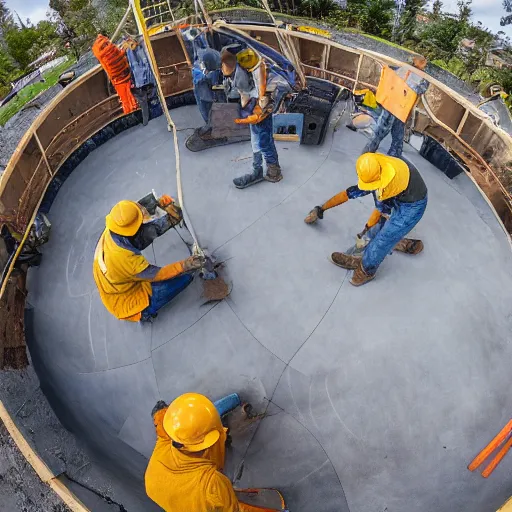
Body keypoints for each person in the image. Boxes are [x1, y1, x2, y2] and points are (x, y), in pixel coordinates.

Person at [305, 153, 428, 286]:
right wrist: (321, 208)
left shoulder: (390, 183)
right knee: (382, 231)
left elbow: (380, 212)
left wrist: (367, 227)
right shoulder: (375, 168)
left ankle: (367, 270)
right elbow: (349, 193)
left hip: (413, 205)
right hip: (403, 193)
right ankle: (398, 242)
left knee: (383, 238)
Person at [145, 393, 280, 512]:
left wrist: (161, 411)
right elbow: (234, 510)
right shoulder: (212, 484)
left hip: (154, 485)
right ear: (205, 442)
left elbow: (162, 421)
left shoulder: (168, 436)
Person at [93, 195, 203, 322]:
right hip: (126, 299)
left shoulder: (116, 224)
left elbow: (134, 212)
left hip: (113, 280)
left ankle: (169, 221)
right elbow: (157, 274)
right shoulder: (126, 260)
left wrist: (158, 204)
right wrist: (185, 265)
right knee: (184, 278)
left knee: (141, 235)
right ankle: (145, 313)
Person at [221, 48, 291, 189]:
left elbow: (259, 95)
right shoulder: (244, 67)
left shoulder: (254, 73)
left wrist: (248, 114)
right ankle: (258, 169)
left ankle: (273, 171)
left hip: (261, 108)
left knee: (264, 142)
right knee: (256, 140)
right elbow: (245, 95)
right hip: (255, 105)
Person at [362, 55, 430, 158]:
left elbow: (421, 89)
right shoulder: (405, 66)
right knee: (388, 126)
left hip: (401, 105)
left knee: (390, 126)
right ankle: (390, 151)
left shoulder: (422, 76)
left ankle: (379, 150)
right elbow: (391, 70)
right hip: (394, 102)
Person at [192, 48, 222, 136]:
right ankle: (211, 128)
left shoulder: (214, 59)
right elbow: (201, 77)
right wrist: (208, 74)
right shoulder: (197, 68)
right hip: (203, 95)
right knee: (206, 111)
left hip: (212, 94)